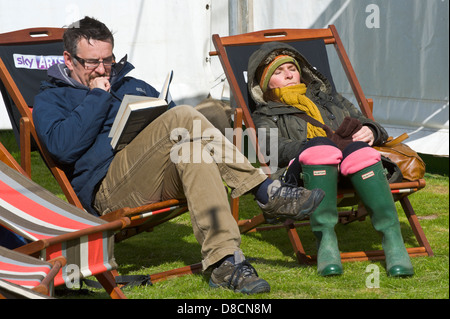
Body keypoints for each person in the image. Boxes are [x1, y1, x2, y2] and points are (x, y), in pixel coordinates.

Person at [32, 17, 325, 294]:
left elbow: (171, 117)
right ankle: (264, 190)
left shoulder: (129, 83)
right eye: (92, 62)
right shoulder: (50, 98)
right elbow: (63, 148)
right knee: (185, 115)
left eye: (107, 60)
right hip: (108, 188)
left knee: (193, 150)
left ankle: (224, 262)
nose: (101, 69)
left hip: (154, 172)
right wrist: (98, 97)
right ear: (68, 60)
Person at [246, 41, 414, 277]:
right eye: (277, 71)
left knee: (362, 152)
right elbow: (271, 149)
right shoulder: (265, 114)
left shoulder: (330, 100)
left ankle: (393, 242)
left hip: (349, 168)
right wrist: (315, 145)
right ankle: (326, 241)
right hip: (305, 176)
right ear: (265, 83)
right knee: (320, 148)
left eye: (291, 68)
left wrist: (371, 130)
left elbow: (367, 121)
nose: (288, 74)